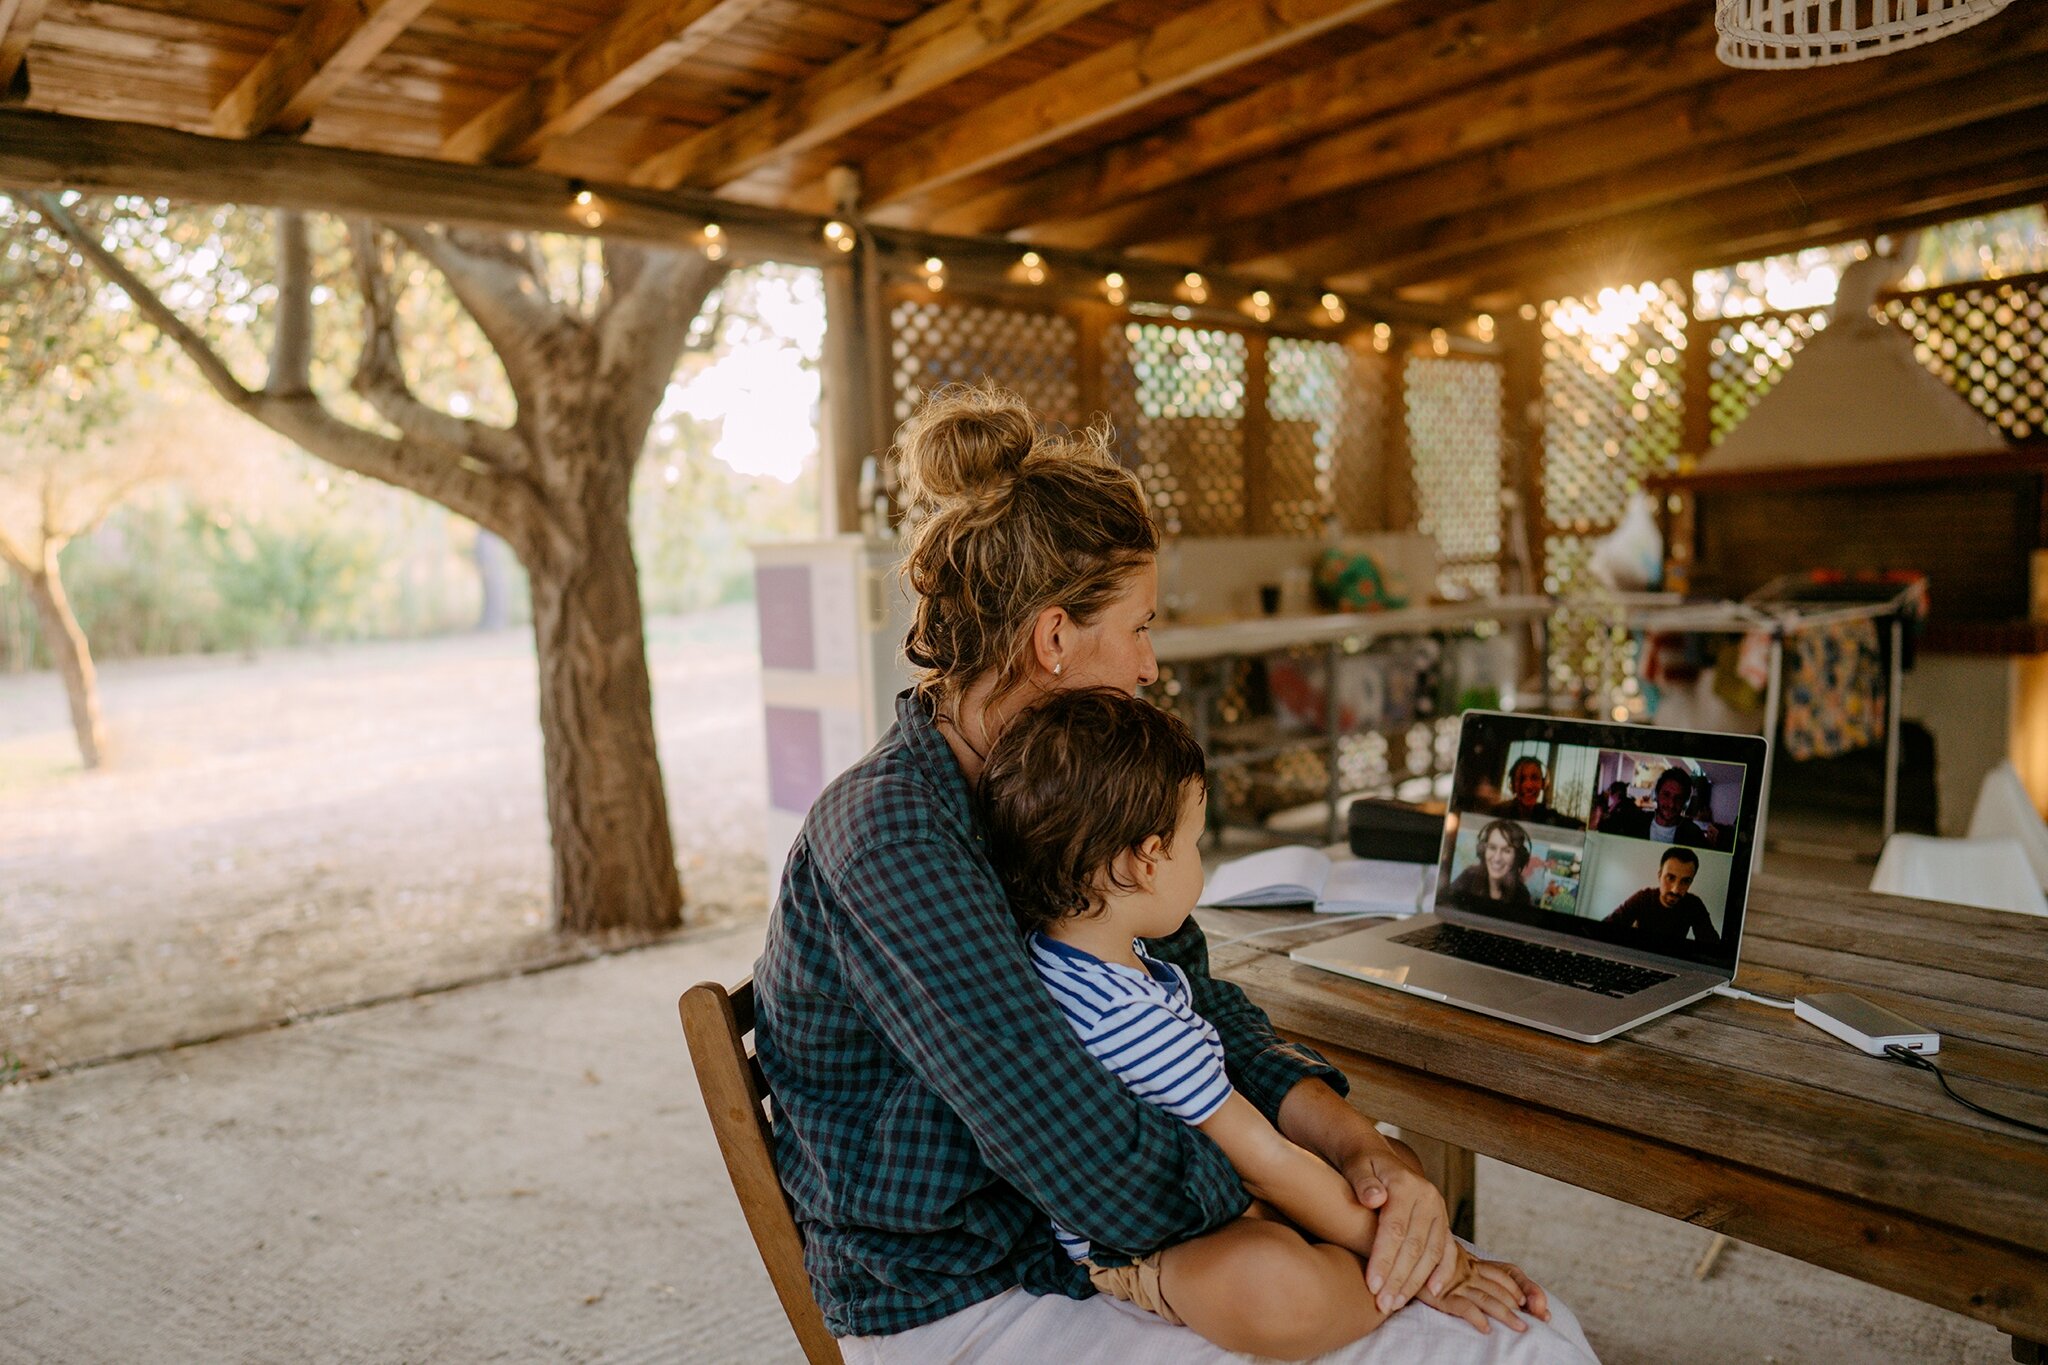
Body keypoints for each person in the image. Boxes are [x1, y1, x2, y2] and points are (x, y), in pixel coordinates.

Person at [751, 385, 1598, 1363]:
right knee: (1510, 1350)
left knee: (1524, 1333)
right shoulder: (893, 837)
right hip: (971, 1292)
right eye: (1141, 626)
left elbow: (1191, 1002)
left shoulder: (1069, 785)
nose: (1152, 664)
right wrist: (1306, 1202)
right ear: (1053, 639)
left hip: (1091, 1238)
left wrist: (1354, 1150)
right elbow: (1083, 1157)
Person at [977, 689, 1536, 1357]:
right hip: (1155, 1245)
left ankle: (1379, 1250)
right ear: (1142, 860)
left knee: (1392, 1168)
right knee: (1278, 1282)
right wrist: (1447, 1267)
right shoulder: (1130, 1020)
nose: (1200, 864)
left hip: (1211, 1190)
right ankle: (1396, 1279)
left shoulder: (1063, 959)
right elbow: (1266, 1164)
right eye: (1195, 842)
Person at [1603, 848, 1722, 956]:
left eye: (1685, 881)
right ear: (1660, 876)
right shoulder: (1643, 898)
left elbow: (1712, 948)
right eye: (1670, 878)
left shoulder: (1694, 905)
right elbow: (1605, 930)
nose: (1675, 889)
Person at [1599, 766, 1709, 847]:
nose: (1671, 804)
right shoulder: (1634, 823)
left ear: (1685, 802)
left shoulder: (1694, 834)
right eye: (1666, 795)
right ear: (1656, 794)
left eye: (1678, 798)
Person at [1446, 819, 1538, 914]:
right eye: (1492, 848)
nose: (1497, 858)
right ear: (1483, 851)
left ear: (1517, 857)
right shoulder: (1468, 877)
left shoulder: (1522, 895)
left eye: (1506, 850)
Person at [1488, 758, 1582, 829]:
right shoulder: (1496, 813)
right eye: (1522, 779)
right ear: (1512, 784)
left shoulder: (1549, 815)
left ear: (1543, 783)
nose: (1528, 786)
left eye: (1534, 778)